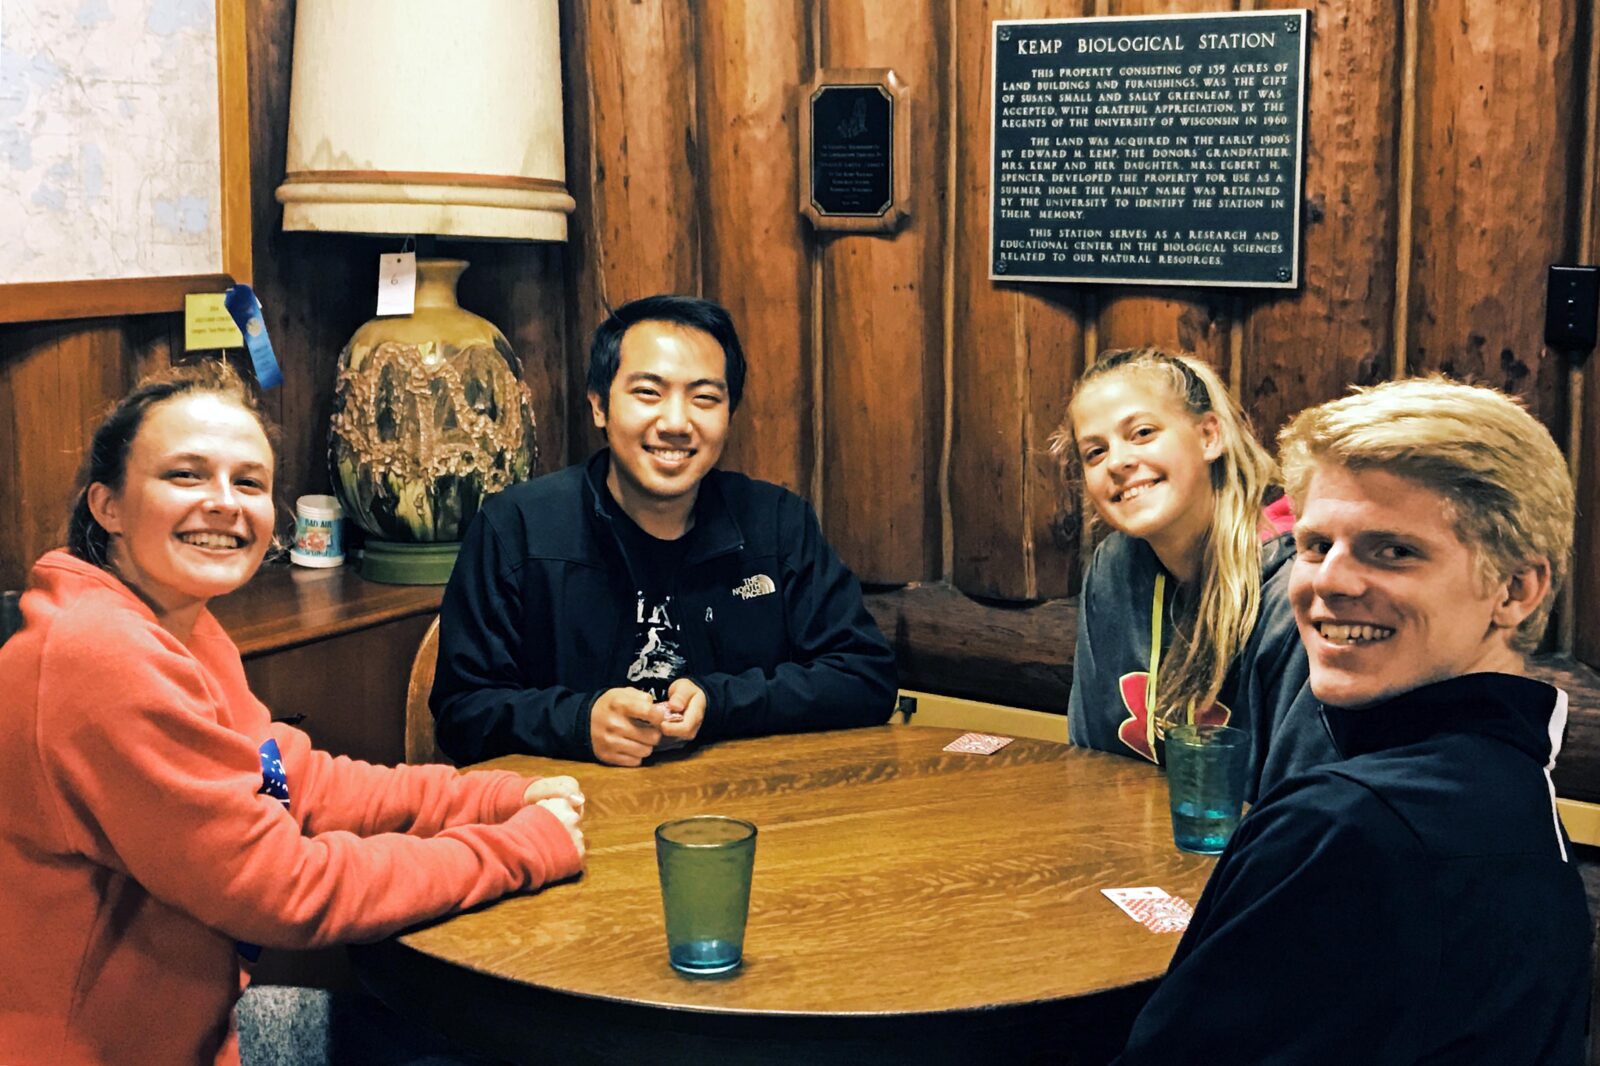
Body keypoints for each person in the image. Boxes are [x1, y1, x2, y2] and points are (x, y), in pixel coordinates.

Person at [0, 364, 587, 1066]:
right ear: (109, 506)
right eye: (186, 475)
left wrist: (494, 796)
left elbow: (295, 781)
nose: (224, 503)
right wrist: (521, 849)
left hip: (205, 1032)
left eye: (248, 483)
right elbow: (283, 887)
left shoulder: (179, 627)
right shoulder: (97, 654)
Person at [1116, 377, 1591, 1065]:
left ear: (1516, 589)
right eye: (1314, 545)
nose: (1328, 583)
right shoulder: (1516, 783)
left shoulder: (1341, 823)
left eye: (1393, 550)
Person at [431, 294, 897, 766]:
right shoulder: (517, 528)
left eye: (704, 398)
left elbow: (866, 677)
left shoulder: (777, 523)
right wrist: (577, 722)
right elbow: (461, 712)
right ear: (599, 405)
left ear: (729, 412)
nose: (676, 423)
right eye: (648, 393)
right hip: (575, 813)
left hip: (740, 806)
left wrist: (719, 703)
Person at [1055, 347, 1331, 800]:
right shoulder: (1113, 569)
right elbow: (1090, 761)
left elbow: (1299, 800)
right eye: (1095, 452)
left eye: (1142, 433)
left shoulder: (1294, 583)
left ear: (1209, 436)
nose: (1117, 462)